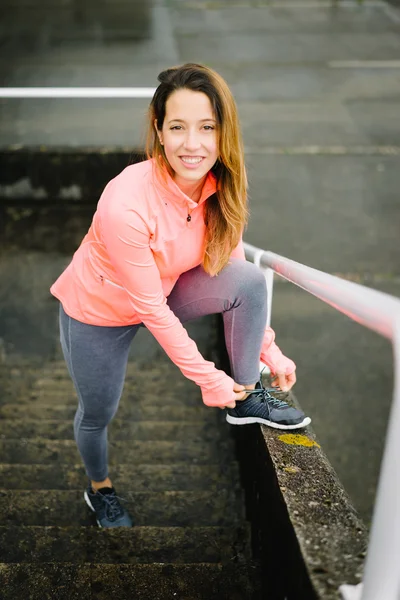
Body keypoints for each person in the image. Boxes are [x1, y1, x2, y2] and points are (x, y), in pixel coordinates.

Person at [50, 63, 311, 529]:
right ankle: (100, 489)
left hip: (167, 287)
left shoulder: (224, 182)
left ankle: (249, 398)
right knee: (97, 412)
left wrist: (269, 349)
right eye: (178, 128)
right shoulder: (124, 201)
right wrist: (208, 378)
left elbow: (230, 266)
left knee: (250, 280)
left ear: (223, 130)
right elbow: (147, 307)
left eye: (207, 127)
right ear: (159, 130)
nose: (193, 144)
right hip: (99, 309)